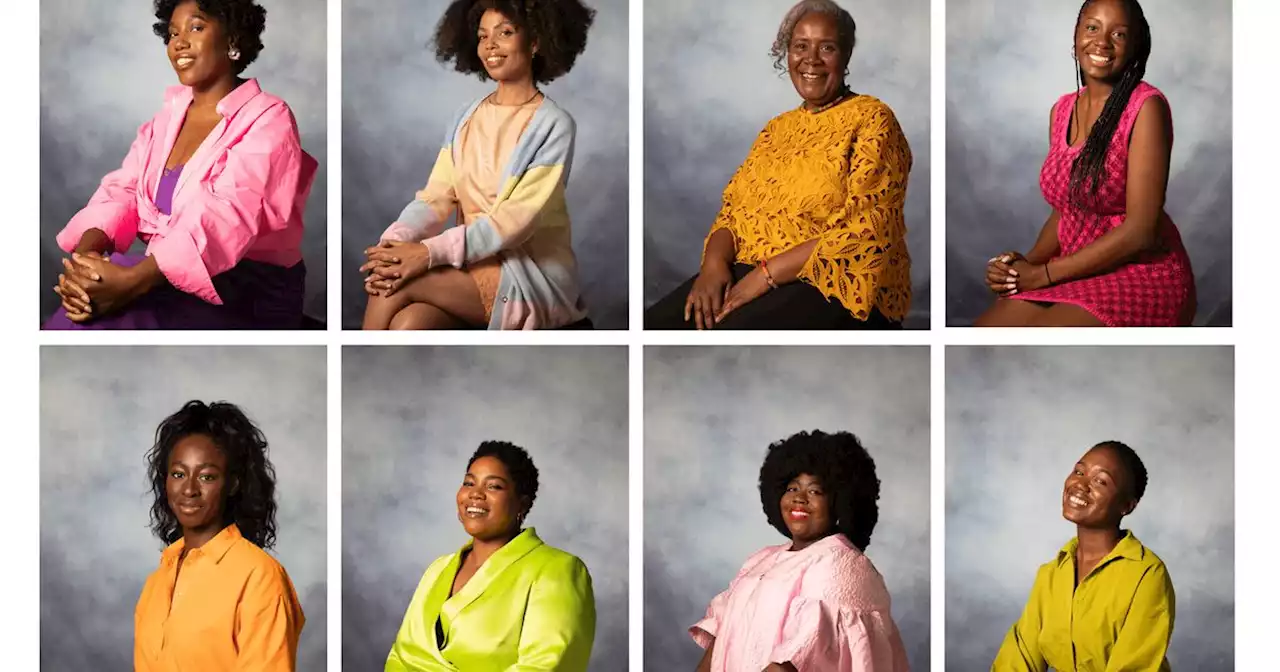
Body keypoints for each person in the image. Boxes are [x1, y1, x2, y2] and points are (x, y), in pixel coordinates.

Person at [47, 0, 316, 330]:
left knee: (110, 321)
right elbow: (123, 191)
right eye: (173, 33)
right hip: (162, 275)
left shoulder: (269, 118)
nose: (179, 42)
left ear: (233, 40)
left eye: (196, 27)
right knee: (81, 313)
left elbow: (227, 215)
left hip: (248, 290)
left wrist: (133, 281)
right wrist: (85, 263)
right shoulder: (167, 118)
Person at [645, 0, 912, 330]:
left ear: (845, 57)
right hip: (753, 267)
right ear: (787, 54)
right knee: (654, 326)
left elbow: (866, 229)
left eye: (826, 47)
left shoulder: (872, 119)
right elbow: (733, 212)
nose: (811, 59)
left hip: (834, 278)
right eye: (801, 46)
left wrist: (764, 277)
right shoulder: (776, 130)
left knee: (726, 333)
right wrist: (713, 265)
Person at [361, 0, 597, 330]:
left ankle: (355, 379)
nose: (490, 46)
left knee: (399, 281)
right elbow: (435, 198)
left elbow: (514, 223)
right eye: (483, 35)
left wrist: (426, 253)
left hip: (529, 276)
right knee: (409, 323)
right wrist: (394, 245)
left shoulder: (554, 125)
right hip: (471, 264)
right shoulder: (465, 117)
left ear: (535, 41)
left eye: (505, 33)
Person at [975, 0, 1194, 327]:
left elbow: (1140, 232)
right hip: (1073, 267)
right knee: (983, 332)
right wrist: (1022, 266)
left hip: (1141, 275)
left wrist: (1043, 274)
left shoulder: (1146, 108)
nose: (1102, 42)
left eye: (1118, 35)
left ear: (1134, 47)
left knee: (1042, 335)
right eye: (1092, 27)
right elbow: (1068, 208)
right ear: (1075, 37)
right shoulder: (1061, 110)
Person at [692, 430, 909, 672]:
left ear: (840, 502)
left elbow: (794, 661)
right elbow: (722, 639)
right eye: (792, 488)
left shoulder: (843, 565)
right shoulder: (762, 559)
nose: (799, 499)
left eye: (815, 491)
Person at [386, 441, 596, 670]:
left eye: (494, 486)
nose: (475, 494)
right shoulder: (437, 569)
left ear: (521, 504)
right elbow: (400, 656)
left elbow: (546, 667)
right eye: (469, 483)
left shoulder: (558, 570)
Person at [134, 401, 305, 670]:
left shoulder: (259, 577)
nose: (189, 489)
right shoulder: (157, 581)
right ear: (165, 480)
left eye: (207, 477)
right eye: (178, 474)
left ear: (233, 483)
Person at [992, 441, 1174, 670]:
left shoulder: (1147, 575)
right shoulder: (1051, 574)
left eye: (1101, 481)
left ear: (1126, 506)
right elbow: (1019, 659)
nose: (1080, 484)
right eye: (1079, 471)